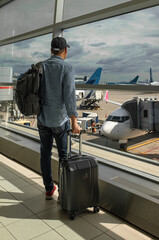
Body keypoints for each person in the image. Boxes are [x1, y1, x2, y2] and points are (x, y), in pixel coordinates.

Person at [37, 37, 81, 200]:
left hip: (42, 118)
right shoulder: (67, 68)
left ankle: (49, 189)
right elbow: (69, 96)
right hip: (60, 121)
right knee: (64, 156)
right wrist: (74, 121)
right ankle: (63, 192)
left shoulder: (41, 66)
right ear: (65, 51)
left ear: (51, 51)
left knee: (45, 154)